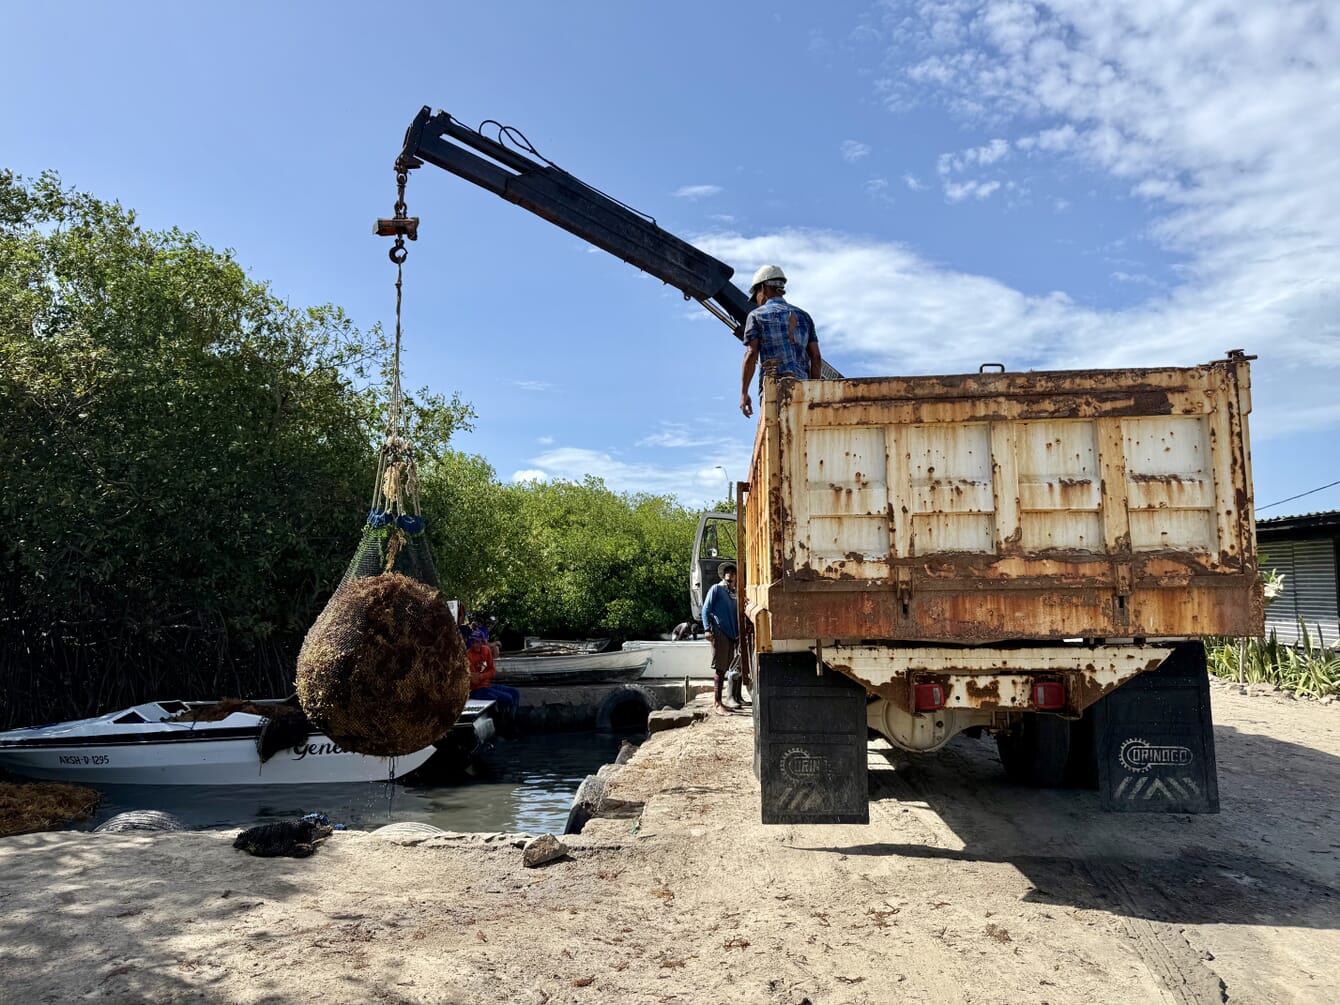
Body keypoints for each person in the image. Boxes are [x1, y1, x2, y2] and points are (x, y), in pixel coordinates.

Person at [739, 264, 822, 419]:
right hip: (803, 390)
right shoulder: (804, 316)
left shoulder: (756, 316)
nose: (757, 300)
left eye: (756, 294)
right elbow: (816, 357)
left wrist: (744, 393)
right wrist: (813, 390)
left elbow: (751, 354)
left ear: (763, 288)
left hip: (774, 391)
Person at [701, 562, 740, 712]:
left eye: (733, 579)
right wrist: (706, 629)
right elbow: (706, 609)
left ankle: (721, 702)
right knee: (719, 667)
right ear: (724, 577)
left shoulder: (734, 593)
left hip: (731, 634)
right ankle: (717, 703)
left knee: (725, 667)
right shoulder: (716, 589)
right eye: (728, 578)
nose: (731, 581)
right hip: (719, 631)